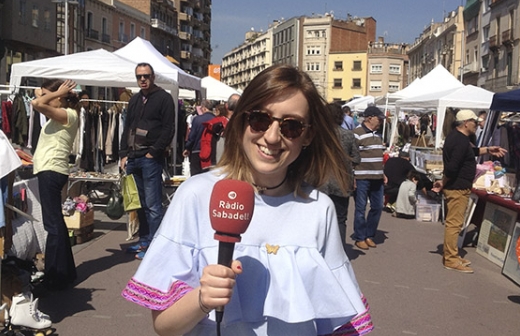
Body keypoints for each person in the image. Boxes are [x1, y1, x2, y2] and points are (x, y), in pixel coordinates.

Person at [121, 65, 373, 335]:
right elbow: (164, 326)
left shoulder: (319, 209)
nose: (273, 136)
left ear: (308, 135)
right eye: (260, 120)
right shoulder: (195, 195)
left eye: (292, 126)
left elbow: (339, 322)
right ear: (242, 121)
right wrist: (202, 299)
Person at [433, 109, 506, 273]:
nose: (477, 124)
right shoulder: (459, 140)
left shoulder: (459, 139)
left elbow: (470, 152)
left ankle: (452, 255)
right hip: (457, 187)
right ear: (466, 123)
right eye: (475, 121)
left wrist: (488, 149)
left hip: (458, 186)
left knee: (455, 223)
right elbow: (452, 168)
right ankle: (450, 260)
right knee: (454, 224)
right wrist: (443, 182)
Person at [120, 62, 176, 260]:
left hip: (150, 158)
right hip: (133, 158)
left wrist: (154, 151)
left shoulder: (164, 98)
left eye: (146, 76)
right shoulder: (134, 100)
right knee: (140, 203)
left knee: (153, 204)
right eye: (139, 76)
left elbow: (169, 129)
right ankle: (144, 239)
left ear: (153, 76)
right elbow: (127, 128)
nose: (142, 79)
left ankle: (155, 244)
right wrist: (123, 154)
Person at [31, 79, 81, 290]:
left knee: (52, 225)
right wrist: (51, 92)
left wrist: (55, 93)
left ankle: (53, 275)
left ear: (59, 98)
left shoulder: (68, 115)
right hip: (49, 169)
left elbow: (36, 103)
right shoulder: (57, 116)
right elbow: (38, 98)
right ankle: (65, 272)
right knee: (57, 224)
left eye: (49, 96)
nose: (43, 98)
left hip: (52, 171)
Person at [320, 102, 360, 244]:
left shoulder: (318, 136)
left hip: (320, 181)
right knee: (340, 219)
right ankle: (340, 252)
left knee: (320, 218)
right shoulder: (348, 135)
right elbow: (356, 158)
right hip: (341, 181)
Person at [352, 106, 387, 251]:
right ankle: (360, 237)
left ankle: (369, 235)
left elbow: (378, 156)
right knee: (360, 208)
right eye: (379, 119)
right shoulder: (357, 134)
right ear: (370, 117)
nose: (380, 122)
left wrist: (383, 173)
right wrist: (352, 176)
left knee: (378, 206)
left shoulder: (378, 135)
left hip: (377, 177)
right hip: (361, 177)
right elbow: (351, 156)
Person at [199, 93, 240, 170]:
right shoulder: (244, 126)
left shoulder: (214, 123)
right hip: (234, 167)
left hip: (216, 166)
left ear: (226, 106)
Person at [183, 99, 216, 176]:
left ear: (204, 108)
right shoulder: (217, 120)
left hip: (197, 150)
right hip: (213, 151)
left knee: (196, 177)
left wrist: (187, 148)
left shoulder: (197, 119)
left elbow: (192, 136)